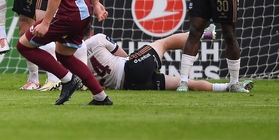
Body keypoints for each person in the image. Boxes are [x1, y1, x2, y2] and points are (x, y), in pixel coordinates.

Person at [84, 32, 253, 91]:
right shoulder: (97, 39)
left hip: (129, 86)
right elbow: (123, 55)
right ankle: (203, 35)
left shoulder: (76, 58)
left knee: (185, 83)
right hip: (131, 68)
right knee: (164, 43)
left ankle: (226, 88)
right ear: (90, 31)